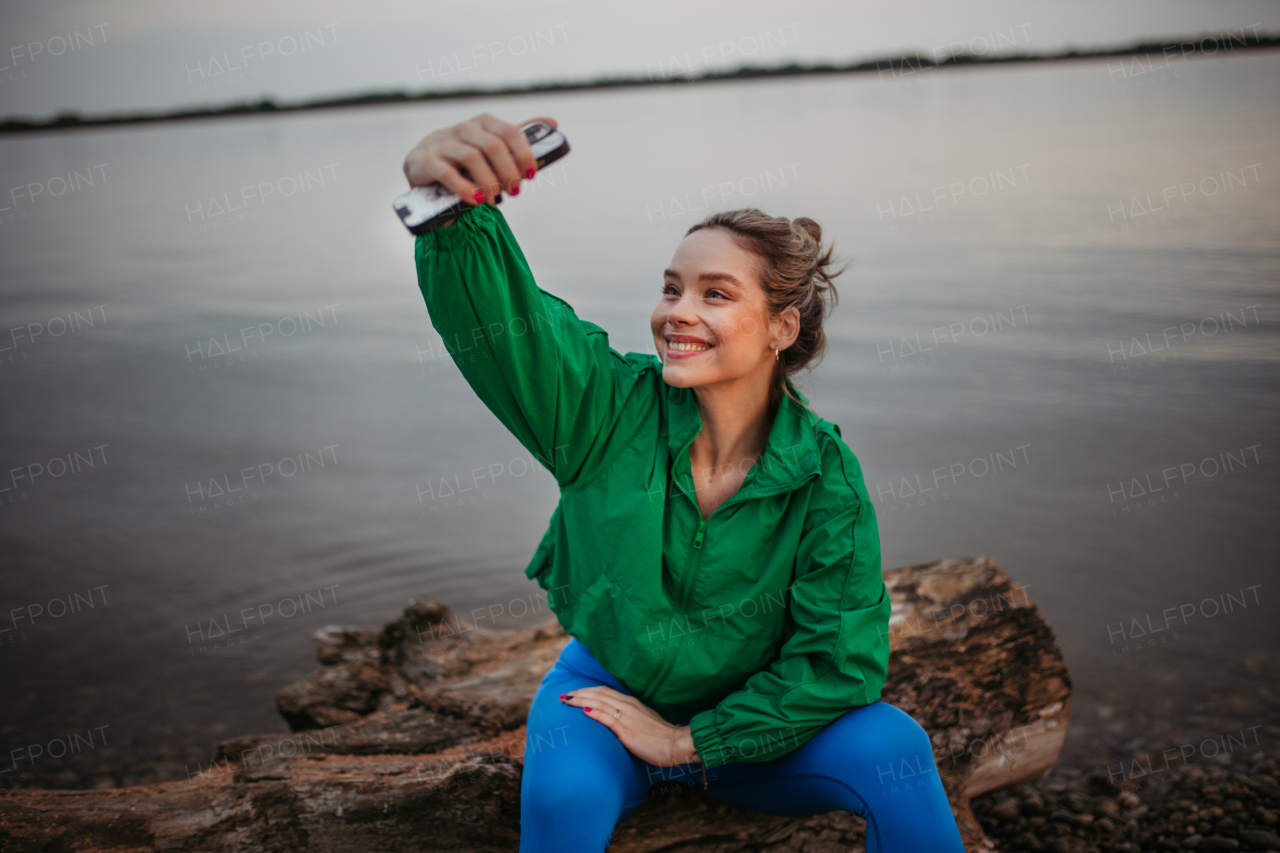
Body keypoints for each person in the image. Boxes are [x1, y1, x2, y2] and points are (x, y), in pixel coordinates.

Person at [403, 112, 965, 852]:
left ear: (782, 327)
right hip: (601, 702)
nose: (678, 314)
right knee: (564, 794)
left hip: (757, 732)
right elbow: (511, 328)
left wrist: (685, 739)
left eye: (716, 294)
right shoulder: (605, 412)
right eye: (672, 289)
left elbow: (837, 660)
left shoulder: (825, 475)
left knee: (897, 751)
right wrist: (448, 210)